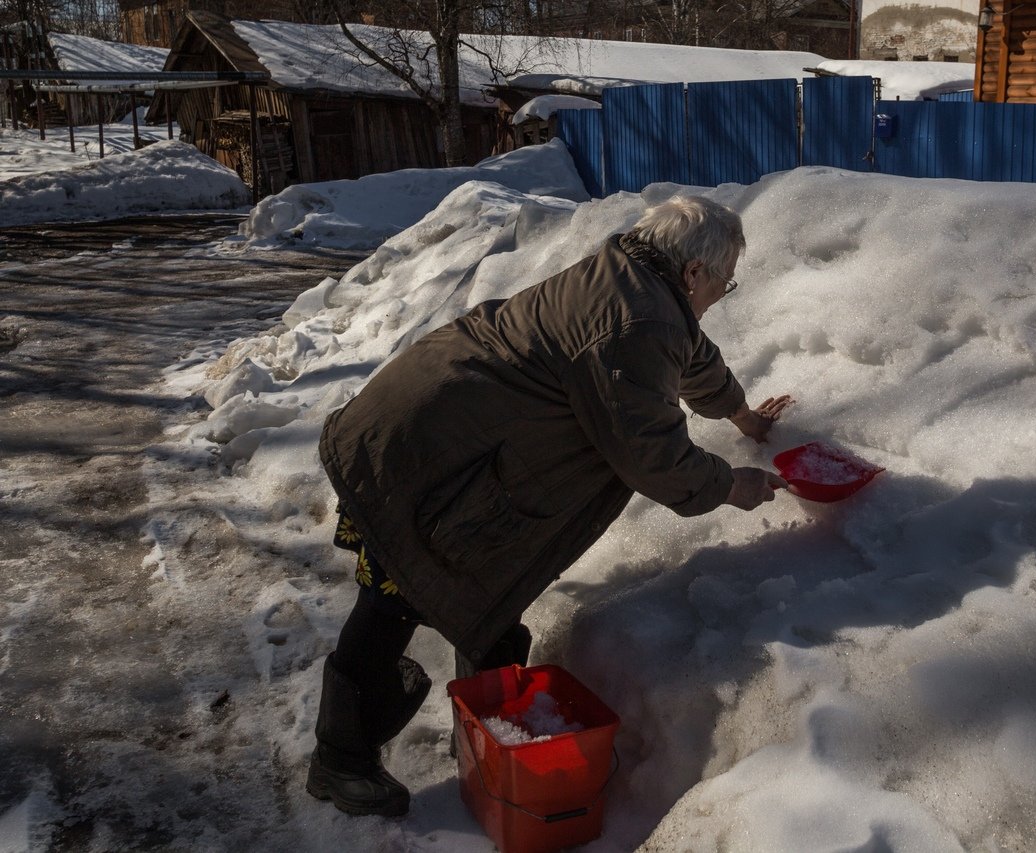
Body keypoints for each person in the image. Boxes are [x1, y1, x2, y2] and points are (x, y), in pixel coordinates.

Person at [305, 195, 793, 817]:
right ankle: (338, 758)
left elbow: (689, 354)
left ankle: (489, 743)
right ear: (693, 273)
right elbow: (651, 455)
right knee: (398, 590)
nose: (719, 297)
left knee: (480, 598)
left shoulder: (632, 281)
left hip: (444, 434)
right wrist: (734, 486)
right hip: (428, 454)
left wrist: (741, 414)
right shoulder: (638, 319)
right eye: (723, 285)